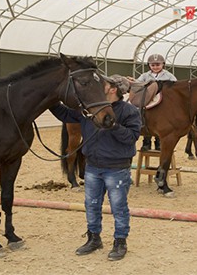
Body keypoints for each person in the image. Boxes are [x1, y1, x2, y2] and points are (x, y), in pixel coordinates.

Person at [50, 74, 141, 261]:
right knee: (91, 205)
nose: (99, 86)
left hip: (117, 168)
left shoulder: (129, 111)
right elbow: (65, 114)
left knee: (118, 207)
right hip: (93, 166)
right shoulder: (88, 110)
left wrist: (114, 126)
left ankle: (120, 241)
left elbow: (132, 137)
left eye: (104, 84)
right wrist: (50, 98)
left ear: (113, 89)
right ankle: (94, 238)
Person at [134, 53, 177, 152]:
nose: (155, 67)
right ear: (149, 65)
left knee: (162, 121)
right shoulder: (145, 75)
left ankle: (158, 142)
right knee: (145, 117)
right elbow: (138, 84)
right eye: (153, 65)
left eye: (158, 64)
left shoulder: (169, 76)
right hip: (148, 101)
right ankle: (146, 142)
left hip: (163, 102)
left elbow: (175, 86)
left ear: (163, 65)